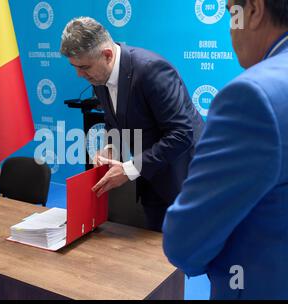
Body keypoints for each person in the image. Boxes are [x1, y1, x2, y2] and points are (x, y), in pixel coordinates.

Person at [163, 0, 288, 299]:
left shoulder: (252, 97)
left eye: (231, 15)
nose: (230, 32)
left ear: (255, 11)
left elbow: (185, 241)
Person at [60, 17, 204, 231]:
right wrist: (111, 147)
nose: (79, 74)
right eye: (75, 67)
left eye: (84, 67)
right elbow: (114, 120)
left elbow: (183, 133)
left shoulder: (152, 70)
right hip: (151, 178)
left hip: (184, 179)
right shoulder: (99, 77)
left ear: (107, 55)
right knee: (154, 254)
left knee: (184, 256)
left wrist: (130, 168)